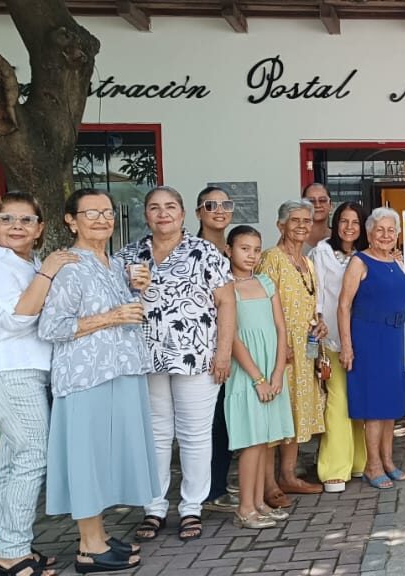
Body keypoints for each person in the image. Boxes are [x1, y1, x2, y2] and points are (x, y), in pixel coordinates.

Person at [39, 188, 156, 573]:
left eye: (107, 212)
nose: (102, 219)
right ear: (71, 220)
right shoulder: (70, 266)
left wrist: (138, 290)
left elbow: (131, 313)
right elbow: (52, 327)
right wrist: (111, 317)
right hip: (85, 376)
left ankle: (100, 536)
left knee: (106, 457)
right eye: (91, 213)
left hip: (121, 370)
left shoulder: (115, 263)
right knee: (87, 459)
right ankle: (88, 547)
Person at [115, 186, 234, 543]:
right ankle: (154, 507)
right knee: (155, 435)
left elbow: (227, 303)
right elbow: (112, 301)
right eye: (155, 207)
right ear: (146, 215)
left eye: (170, 206)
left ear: (183, 213)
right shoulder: (129, 254)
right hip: (146, 358)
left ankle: (191, 506)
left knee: (195, 435)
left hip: (197, 356)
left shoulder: (205, 252)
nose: (163, 213)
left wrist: (224, 352)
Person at [0, 192, 77, 576]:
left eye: (26, 220)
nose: (17, 226)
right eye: (7, 219)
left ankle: (6, 545)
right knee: (32, 456)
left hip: (31, 370)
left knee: (12, 461)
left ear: (40, 228)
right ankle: (12, 551)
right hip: (12, 370)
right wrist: (47, 274)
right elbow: (16, 318)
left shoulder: (30, 264)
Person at [224, 225, 295, 530]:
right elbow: (232, 337)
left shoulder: (266, 283)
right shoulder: (225, 286)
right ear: (229, 250)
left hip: (271, 370)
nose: (251, 255)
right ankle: (245, 508)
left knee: (264, 440)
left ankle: (259, 503)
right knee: (250, 441)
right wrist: (257, 378)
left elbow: (281, 328)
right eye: (244, 248)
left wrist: (277, 373)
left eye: (256, 249)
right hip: (247, 373)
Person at [258, 200, 329, 499]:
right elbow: (261, 305)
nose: (302, 225)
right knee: (275, 415)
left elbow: (311, 303)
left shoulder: (308, 262)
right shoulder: (271, 259)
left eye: (306, 220)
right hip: (280, 350)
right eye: (295, 220)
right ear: (281, 225)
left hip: (305, 349)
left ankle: (288, 476)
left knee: (294, 413)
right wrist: (279, 345)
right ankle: (269, 485)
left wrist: (319, 324)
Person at [338, 208, 405, 489]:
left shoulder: (396, 261)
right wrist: (347, 346)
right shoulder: (360, 262)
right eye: (380, 229)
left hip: (393, 338)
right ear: (369, 233)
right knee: (374, 406)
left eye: (391, 230)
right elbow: (344, 305)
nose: (385, 235)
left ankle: (388, 460)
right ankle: (372, 465)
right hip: (369, 339)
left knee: (390, 404)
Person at [309, 202, 371, 493]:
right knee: (337, 401)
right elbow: (316, 292)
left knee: (358, 400)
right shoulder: (322, 252)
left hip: (363, 339)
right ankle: (334, 468)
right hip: (332, 338)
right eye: (344, 221)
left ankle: (359, 461)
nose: (349, 227)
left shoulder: (367, 255)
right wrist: (317, 320)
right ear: (336, 224)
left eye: (355, 222)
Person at [195, 185, 240, 515]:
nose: (219, 210)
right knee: (207, 424)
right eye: (211, 205)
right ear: (199, 212)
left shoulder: (231, 251)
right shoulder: (191, 250)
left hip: (234, 345)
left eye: (225, 205)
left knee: (225, 419)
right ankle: (207, 491)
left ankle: (218, 483)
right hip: (204, 349)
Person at [301, 183, 333, 254]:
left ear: (331, 206)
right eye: (311, 201)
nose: (317, 205)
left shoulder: (339, 238)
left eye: (322, 200)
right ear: (303, 206)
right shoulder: (292, 237)